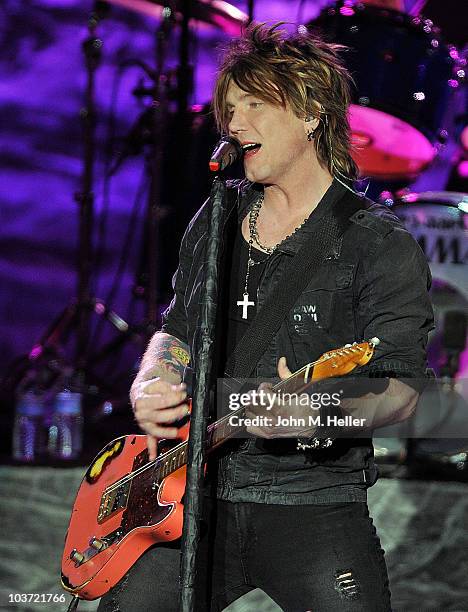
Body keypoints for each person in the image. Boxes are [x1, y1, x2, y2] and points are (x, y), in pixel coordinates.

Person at [98, 23, 433, 612]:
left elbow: (403, 389)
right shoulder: (218, 216)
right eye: (229, 108)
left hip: (313, 505)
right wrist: (153, 376)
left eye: (255, 105)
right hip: (193, 497)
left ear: (310, 114)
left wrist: (316, 409)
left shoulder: (379, 243)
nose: (234, 124)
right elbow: (176, 330)